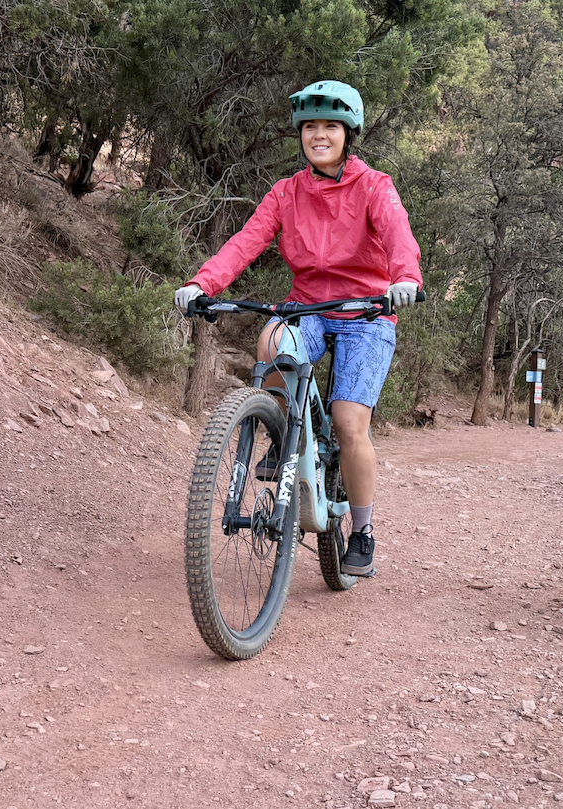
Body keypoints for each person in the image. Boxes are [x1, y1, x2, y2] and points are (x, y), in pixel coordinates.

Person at [174, 79, 422, 578]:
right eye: (310, 127)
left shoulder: (375, 186)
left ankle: (362, 531)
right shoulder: (287, 192)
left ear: (348, 134)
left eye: (330, 126)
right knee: (270, 339)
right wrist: (203, 283)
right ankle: (283, 431)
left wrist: (405, 279)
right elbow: (246, 241)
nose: (319, 135)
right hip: (308, 306)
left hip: (366, 312)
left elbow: (399, 236)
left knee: (349, 423)